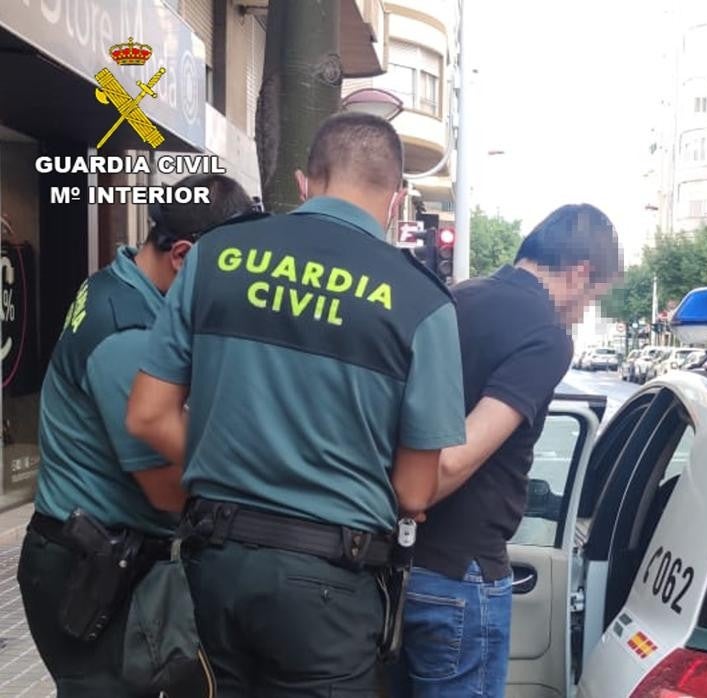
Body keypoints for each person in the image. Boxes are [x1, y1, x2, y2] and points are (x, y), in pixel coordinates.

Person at [126, 112, 466, 696]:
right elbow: (413, 492)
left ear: (306, 182)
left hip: (216, 566)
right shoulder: (423, 302)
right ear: (396, 198)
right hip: (330, 588)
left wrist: (236, 470)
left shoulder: (216, 256)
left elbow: (147, 414)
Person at [17, 174, 255, 697]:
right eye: (228, 269)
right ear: (184, 256)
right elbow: (169, 491)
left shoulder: (118, 283)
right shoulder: (127, 337)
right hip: (89, 569)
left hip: (97, 552)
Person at [392, 203, 620, 696]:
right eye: (595, 296)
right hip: (461, 573)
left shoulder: (456, 299)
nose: (585, 311)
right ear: (581, 273)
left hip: (398, 568)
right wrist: (413, 497)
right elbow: (458, 454)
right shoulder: (546, 335)